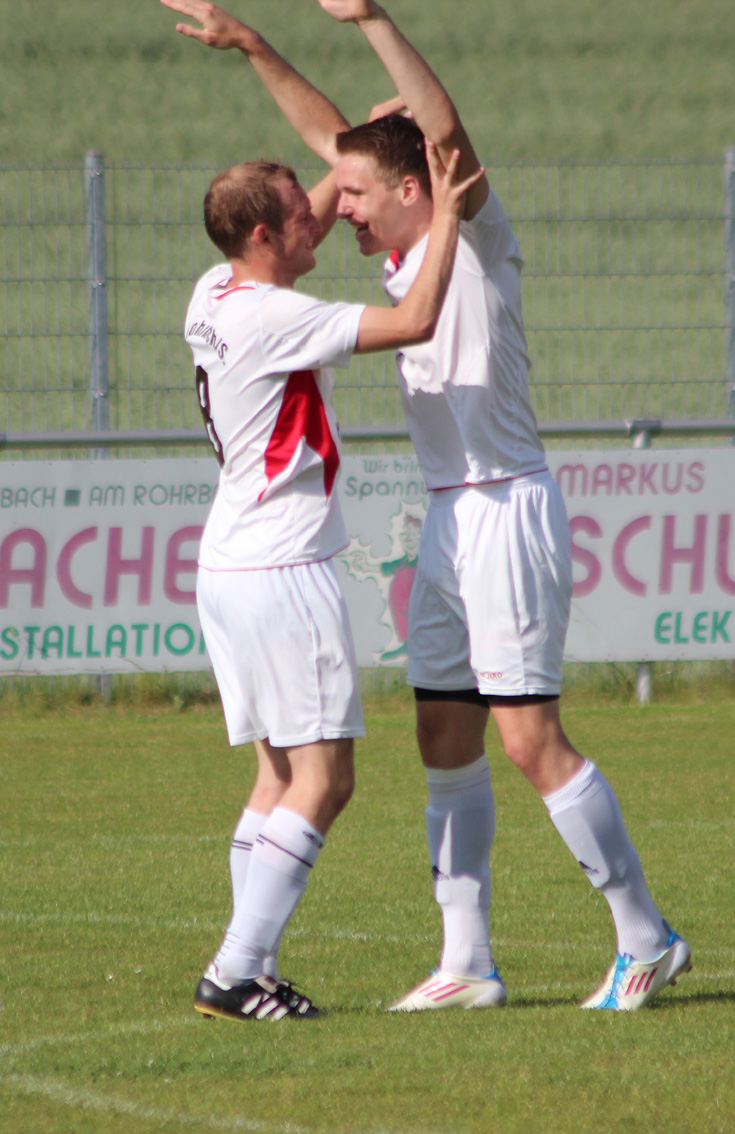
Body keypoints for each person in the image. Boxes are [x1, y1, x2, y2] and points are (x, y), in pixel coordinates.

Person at [164, 0, 691, 1014]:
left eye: (357, 192)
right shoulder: (407, 249)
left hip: (507, 507)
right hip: (448, 513)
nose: (337, 207)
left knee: (531, 740)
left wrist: (373, 21)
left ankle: (646, 936)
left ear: (417, 189)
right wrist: (258, 49)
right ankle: (468, 962)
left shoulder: (472, 229)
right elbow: (335, 139)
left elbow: (442, 138)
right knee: (443, 739)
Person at [165, 0, 482, 1023]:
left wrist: (260, 49)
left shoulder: (218, 289)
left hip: (228, 563)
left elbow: (321, 162)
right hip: (283, 566)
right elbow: (419, 315)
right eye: (307, 208)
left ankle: (246, 968)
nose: (327, 207)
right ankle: (233, 969)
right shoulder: (280, 316)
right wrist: (444, 218)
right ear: (267, 236)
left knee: (273, 777)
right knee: (327, 778)